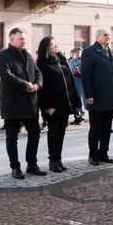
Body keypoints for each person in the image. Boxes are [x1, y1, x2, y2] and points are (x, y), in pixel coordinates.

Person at [0, 27, 46, 179]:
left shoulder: (28, 55)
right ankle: (15, 167)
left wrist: (37, 85)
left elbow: (38, 73)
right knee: (12, 137)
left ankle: (32, 164)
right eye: (21, 38)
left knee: (35, 133)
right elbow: (5, 74)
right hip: (13, 103)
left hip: (30, 103)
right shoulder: (3, 55)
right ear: (12, 40)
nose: (24, 41)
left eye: (25, 38)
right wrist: (25, 85)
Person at [37, 37, 81, 172]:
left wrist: (76, 101)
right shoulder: (42, 64)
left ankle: (58, 158)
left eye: (56, 43)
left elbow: (71, 82)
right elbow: (42, 87)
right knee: (53, 133)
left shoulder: (62, 60)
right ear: (46, 48)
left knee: (61, 132)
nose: (56, 46)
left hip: (65, 104)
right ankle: (53, 160)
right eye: (52, 44)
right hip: (52, 106)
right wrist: (46, 106)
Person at [81, 29, 113, 165]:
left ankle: (104, 153)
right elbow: (86, 75)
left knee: (107, 129)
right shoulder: (89, 52)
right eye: (105, 35)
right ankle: (93, 155)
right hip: (96, 97)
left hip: (110, 97)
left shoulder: (112, 52)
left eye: (109, 35)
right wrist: (89, 95)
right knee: (95, 128)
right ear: (97, 37)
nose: (108, 37)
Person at [68, 47, 85, 125]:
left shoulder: (84, 61)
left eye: (78, 52)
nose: (77, 54)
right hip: (73, 83)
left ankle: (81, 117)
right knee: (74, 100)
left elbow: (86, 72)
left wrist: (79, 73)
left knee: (80, 100)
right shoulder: (71, 61)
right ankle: (76, 117)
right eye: (76, 52)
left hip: (80, 83)